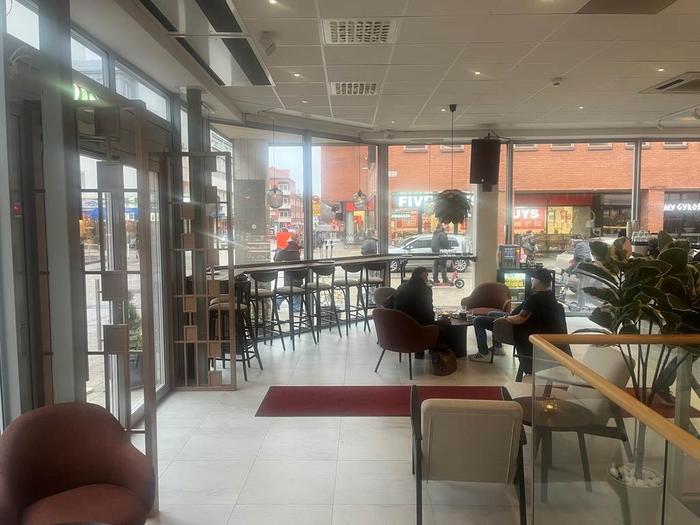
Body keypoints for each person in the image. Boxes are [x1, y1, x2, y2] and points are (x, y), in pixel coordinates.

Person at [469, 268, 565, 371]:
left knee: (478, 320)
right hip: (528, 324)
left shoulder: (534, 299)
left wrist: (505, 318)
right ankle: (497, 347)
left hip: (515, 327)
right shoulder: (550, 296)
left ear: (538, 281)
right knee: (491, 313)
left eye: (533, 279)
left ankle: (483, 353)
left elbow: (519, 319)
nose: (532, 280)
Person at [392, 266, 442, 359]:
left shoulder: (401, 287)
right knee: (441, 324)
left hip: (399, 326)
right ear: (422, 276)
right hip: (417, 326)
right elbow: (428, 310)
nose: (427, 278)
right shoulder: (426, 290)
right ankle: (434, 351)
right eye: (426, 276)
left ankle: (419, 352)